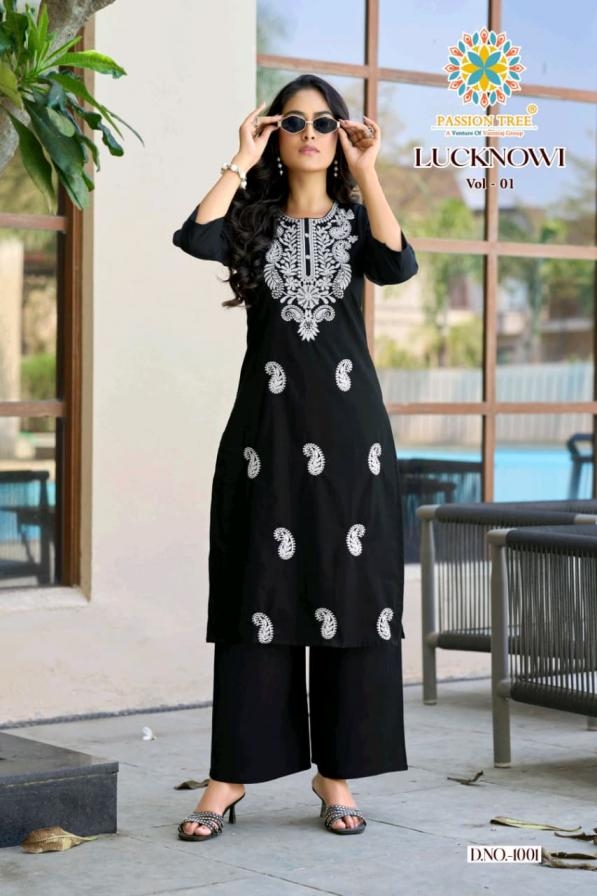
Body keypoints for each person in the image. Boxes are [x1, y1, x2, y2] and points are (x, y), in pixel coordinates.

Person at [172, 73, 419, 840]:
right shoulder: (251, 220)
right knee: (260, 587)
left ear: (341, 136)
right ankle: (229, 778)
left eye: (322, 122)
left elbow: (396, 264)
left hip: (351, 438)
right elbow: (195, 237)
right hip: (266, 436)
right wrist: (239, 159)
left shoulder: (356, 219)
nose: (308, 133)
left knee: (348, 585)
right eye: (291, 121)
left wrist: (368, 171)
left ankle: (334, 773)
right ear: (274, 136)